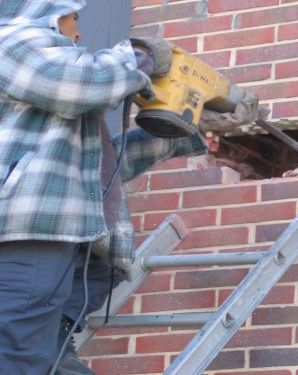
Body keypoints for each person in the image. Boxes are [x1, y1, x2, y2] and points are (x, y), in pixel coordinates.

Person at [0, 1, 215, 373]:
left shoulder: (54, 102)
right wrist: (141, 55)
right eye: (74, 18)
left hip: (69, 258)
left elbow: (106, 168)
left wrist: (188, 128)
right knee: (14, 356)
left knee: (47, 360)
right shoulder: (12, 41)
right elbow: (82, 83)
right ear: (44, 11)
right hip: (27, 236)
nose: (80, 32)